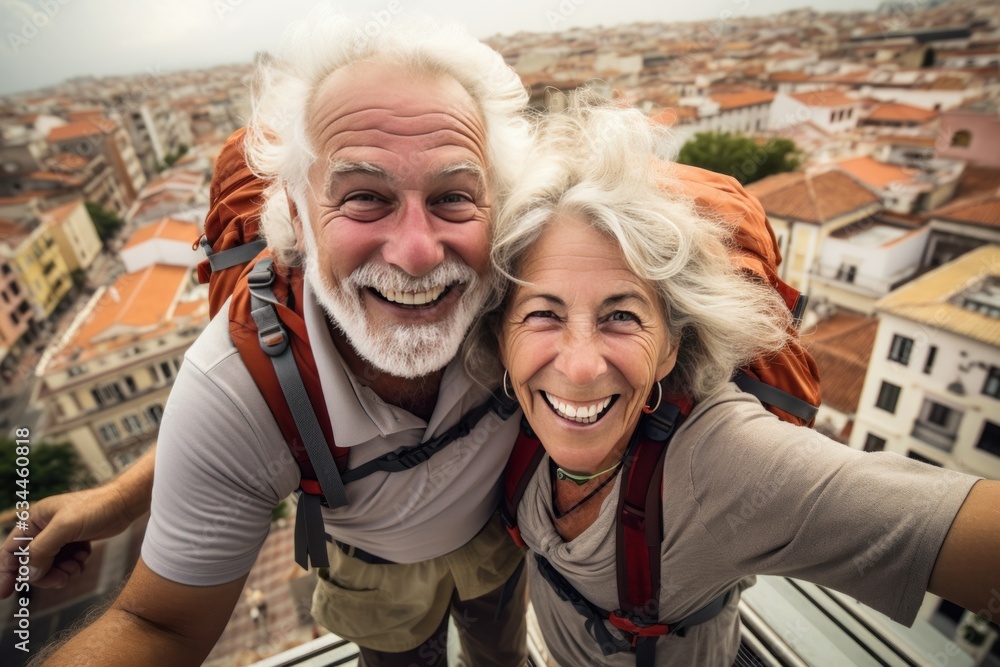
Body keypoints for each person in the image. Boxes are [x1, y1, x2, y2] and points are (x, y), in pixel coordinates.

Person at [5, 11, 535, 667]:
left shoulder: (532, 289)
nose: (418, 254)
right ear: (295, 212)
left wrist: (114, 499)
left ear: (500, 204)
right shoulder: (237, 379)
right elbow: (158, 624)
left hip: (496, 547)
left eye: (454, 195)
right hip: (376, 579)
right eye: (365, 197)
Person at [469, 100, 1000, 666]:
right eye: (543, 315)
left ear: (672, 343)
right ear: (501, 335)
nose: (578, 368)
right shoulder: (503, 404)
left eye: (621, 316)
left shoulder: (720, 464)